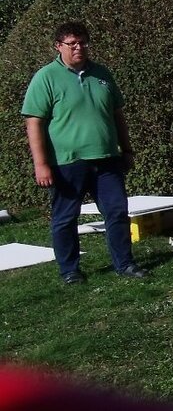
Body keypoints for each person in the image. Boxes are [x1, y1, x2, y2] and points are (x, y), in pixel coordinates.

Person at [21, 21, 147, 284]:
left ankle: (124, 264)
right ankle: (70, 271)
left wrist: (127, 148)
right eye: (72, 44)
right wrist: (41, 164)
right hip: (67, 162)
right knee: (66, 218)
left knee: (116, 211)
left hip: (107, 159)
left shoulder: (101, 73)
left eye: (83, 42)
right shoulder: (46, 77)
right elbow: (34, 121)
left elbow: (117, 114)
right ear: (59, 46)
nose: (79, 48)